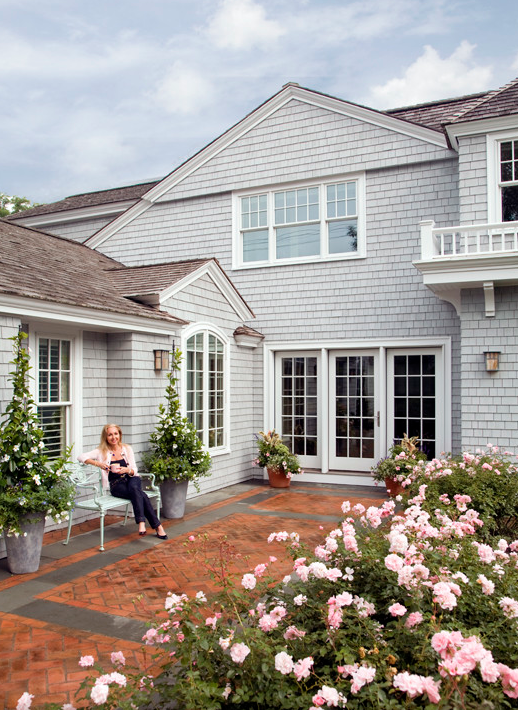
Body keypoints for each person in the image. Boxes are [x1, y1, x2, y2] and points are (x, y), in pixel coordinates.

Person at [78, 423, 168, 539]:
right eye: (110, 435)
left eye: (116, 434)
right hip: (117, 485)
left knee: (135, 488)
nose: (113, 437)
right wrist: (98, 464)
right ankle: (157, 527)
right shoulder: (101, 451)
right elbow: (81, 456)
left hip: (132, 478)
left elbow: (134, 470)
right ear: (105, 437)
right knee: (142, 495)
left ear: (120, 435)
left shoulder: (127, 449)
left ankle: (141, 523)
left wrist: (127, 470)